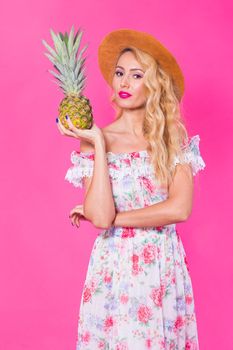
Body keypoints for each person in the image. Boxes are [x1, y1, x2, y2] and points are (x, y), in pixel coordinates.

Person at [57, 29, 206, 350]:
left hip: (162, 266)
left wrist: (112, 218)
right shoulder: (95, 138)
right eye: (120, 73)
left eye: (136, 75)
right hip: (114, 268)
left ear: (154, 83)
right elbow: (99, 216)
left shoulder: (173, 142)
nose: (124, 83)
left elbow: (179, 209)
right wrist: (97, 141)